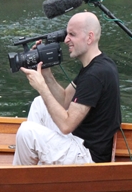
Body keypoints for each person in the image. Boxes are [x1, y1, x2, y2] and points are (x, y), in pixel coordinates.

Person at [13, 11, 121, 165]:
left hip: (88, 155)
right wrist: (47, 75)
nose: (66, 40)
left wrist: (42, 88)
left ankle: (20, 182)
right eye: (66, 34)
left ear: (89, 37)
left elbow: (66, 125)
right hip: (79, 140)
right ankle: (35, 172)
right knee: (39, 103)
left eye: (72, 34)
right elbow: (64, 100)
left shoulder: (96, 75)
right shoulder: (97, 65)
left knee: (26, 132)